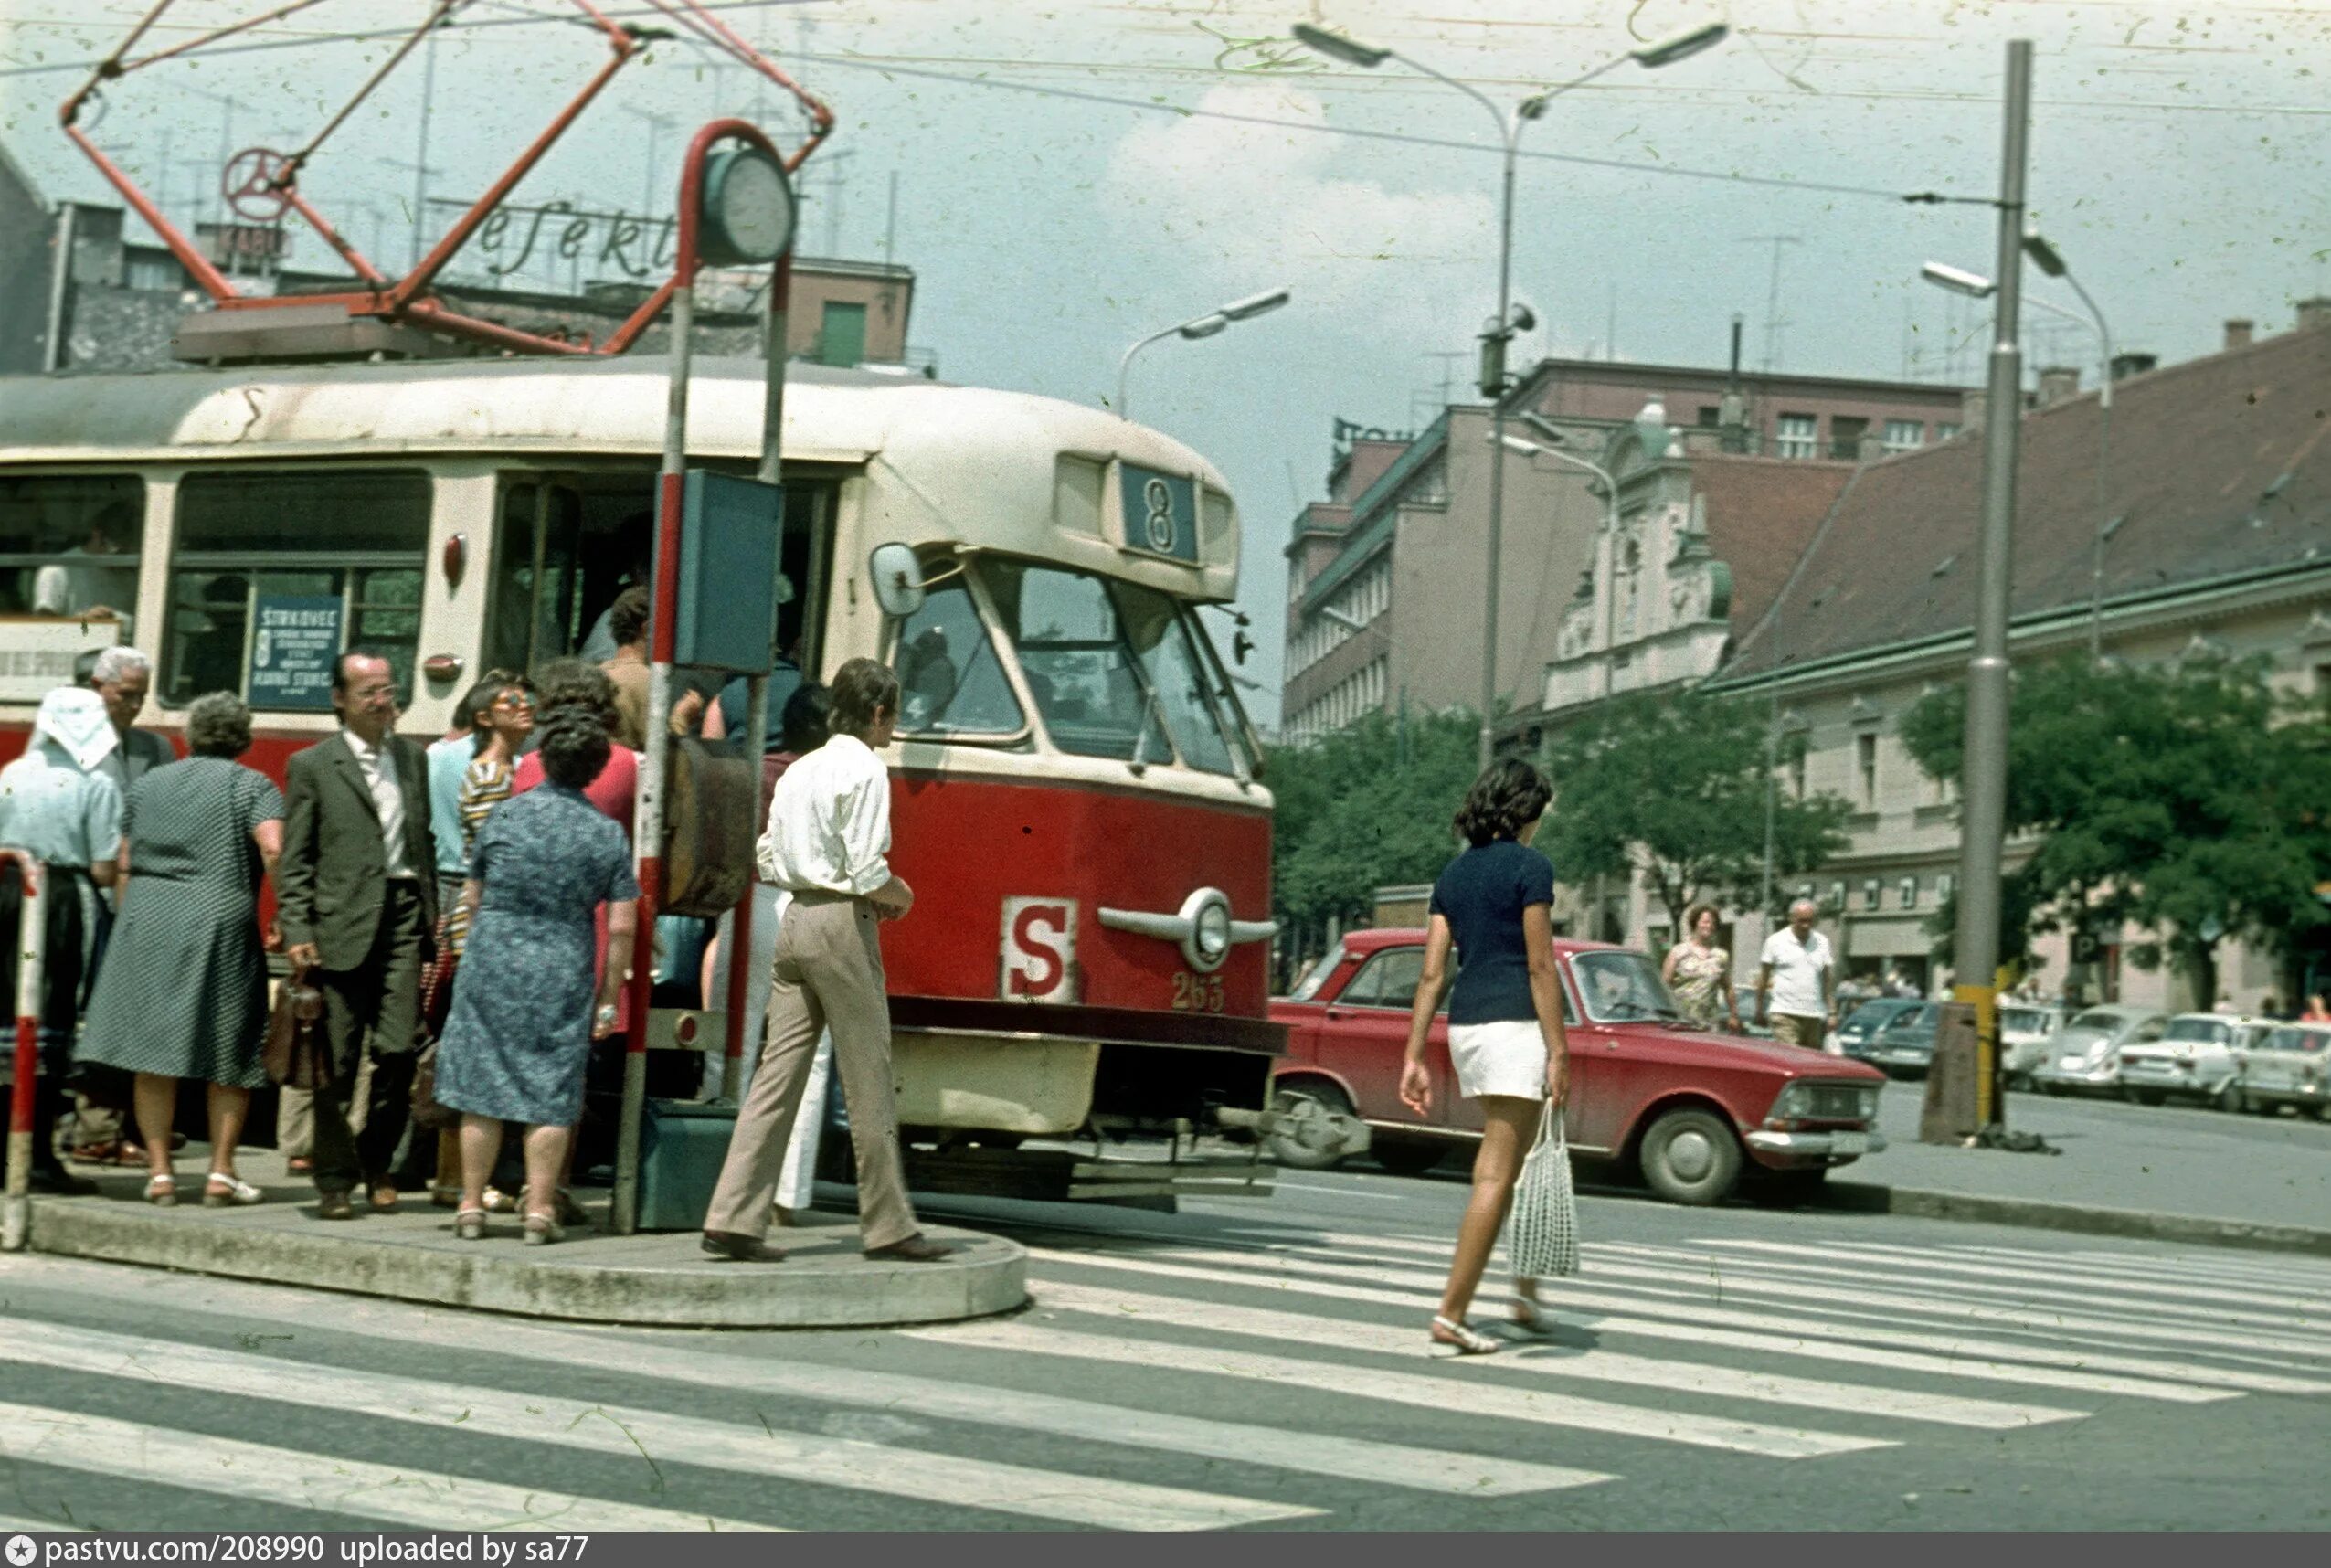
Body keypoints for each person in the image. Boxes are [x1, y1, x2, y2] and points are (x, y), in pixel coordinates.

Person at [701, 659, 950, 1264]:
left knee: (774, 1073)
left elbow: (768, 851)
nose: (892, 725)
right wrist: (898, 895)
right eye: (891, 713)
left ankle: (733, 1215)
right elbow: (865, 868)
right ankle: (889, 1226)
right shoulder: (864, 769)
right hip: (841, 923)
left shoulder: (800, 768)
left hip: (794, 918)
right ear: (875, 712)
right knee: (868, 1075)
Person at [434, 705, 639, 1245]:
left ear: (544, 760)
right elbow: (620, 928)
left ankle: (472, 1205)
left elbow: (473, 897)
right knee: (551, 1089)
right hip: (563, 963)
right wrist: (608, 996)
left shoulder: (503, 817)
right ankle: (540, 1210)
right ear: (595, 771)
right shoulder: (606, 836)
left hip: (494, 956)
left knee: (482, 1086)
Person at [77, 694, 282, 1206]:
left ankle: (162, 1173)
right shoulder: (252, 785)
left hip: (147, 920)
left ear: (190, 736)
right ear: (243, 737)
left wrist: (128, 920)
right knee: (229, 1051)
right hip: (219, 920)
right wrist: (287, 913)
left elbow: (122, 860)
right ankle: (220, 1173)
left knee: (153, 1053)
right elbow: (274, 847)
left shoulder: (146, 785)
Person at [1396, 758, 1569, 1357]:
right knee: (1496, 1173)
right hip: (1515, 1025)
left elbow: (1430, 973)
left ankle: (1522, 1295)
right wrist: (1559, 1050)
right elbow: (1541, 965)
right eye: (1538, 813)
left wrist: (1413, 1056)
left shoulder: (1452, 875)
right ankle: (1451, 1312)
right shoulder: (1530, 869)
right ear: (1523, 811)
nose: (1538, 825)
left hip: (1466, 1026)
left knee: (1511, 1170)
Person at [277, 652, 438, 1220]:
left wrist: (428, 918)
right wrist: (297, 927)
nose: (382, 701)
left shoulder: (413, 760)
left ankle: (375, 1162)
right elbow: (294, 859)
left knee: (397, 1053)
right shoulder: (314, 764)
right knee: (336, 1063)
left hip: (401, 918)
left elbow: (424, 841)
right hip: (340, 924)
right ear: (340, 700)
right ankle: (335, 1179)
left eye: (388, 690)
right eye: (368, 691)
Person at [701, 682, 833, 1224]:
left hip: (752, 901)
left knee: (731, 1034)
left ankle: (715, 1168)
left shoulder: (754, 774)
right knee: (809, 1053)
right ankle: (784, 1193)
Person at [0, 688, 124, 1195]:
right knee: (51, 1019)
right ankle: (39, 1157)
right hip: (61, 904)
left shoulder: (12, 773)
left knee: (6, 1017)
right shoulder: (97, 782)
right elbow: (103, 867)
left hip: (7, 893)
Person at [1757, 899, 1837, 1049]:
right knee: (1791, 1057)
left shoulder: (1822, 942)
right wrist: (1759, 1009)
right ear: (1792, 918)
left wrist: (1832, 1013)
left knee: (1810, 1064)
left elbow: (1827, 981)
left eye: (1810, 921)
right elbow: (1764, 978)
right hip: (1784, 1013)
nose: (1806, 925)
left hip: (1813, 1014)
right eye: (1802, 921)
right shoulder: (1775, 941)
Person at [1662, 905, 1738, 1032]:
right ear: (1695, 923)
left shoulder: (1720, 956)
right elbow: (1664, 985)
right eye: (1705, 922)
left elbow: (1728, 987)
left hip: (1709, 1023)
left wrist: (1734, 1015)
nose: (1709, 926)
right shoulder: (1678, 951)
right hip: (1680, 1022)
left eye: (1713, 923)